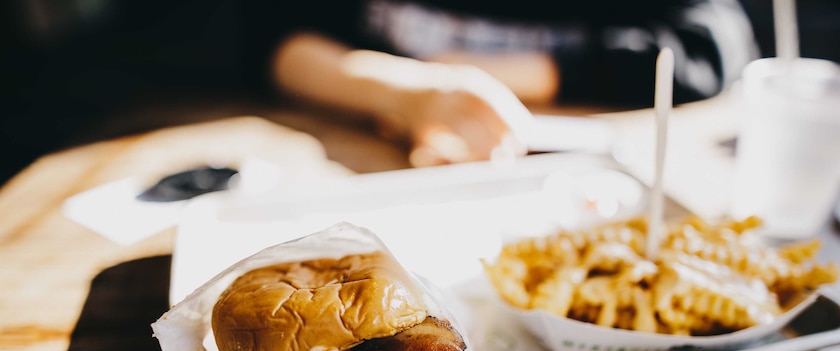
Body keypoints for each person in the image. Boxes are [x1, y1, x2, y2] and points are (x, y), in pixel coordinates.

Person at [255, 1, 760, 166]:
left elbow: (709, 47)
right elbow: (279, 43)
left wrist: (511, 74)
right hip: (371, 162)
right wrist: (410, 91)